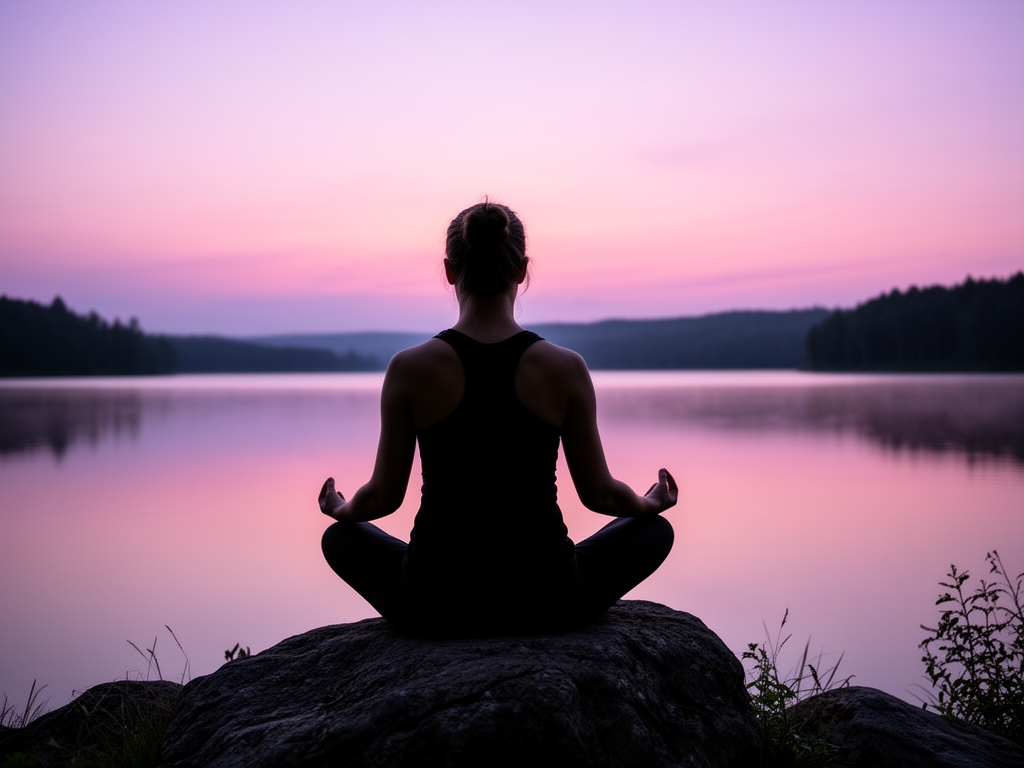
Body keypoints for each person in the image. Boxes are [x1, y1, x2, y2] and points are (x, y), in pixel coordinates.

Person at [319, 200, 677, 638]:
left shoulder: (409, 368)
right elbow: (600, 494)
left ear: (450, 271)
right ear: (522, 271)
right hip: (549, 598)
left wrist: (342, 509)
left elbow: (381, 499)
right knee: (653, 532)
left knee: (339, 539)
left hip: (432, 602)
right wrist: (648, 504)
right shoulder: (564, 367)